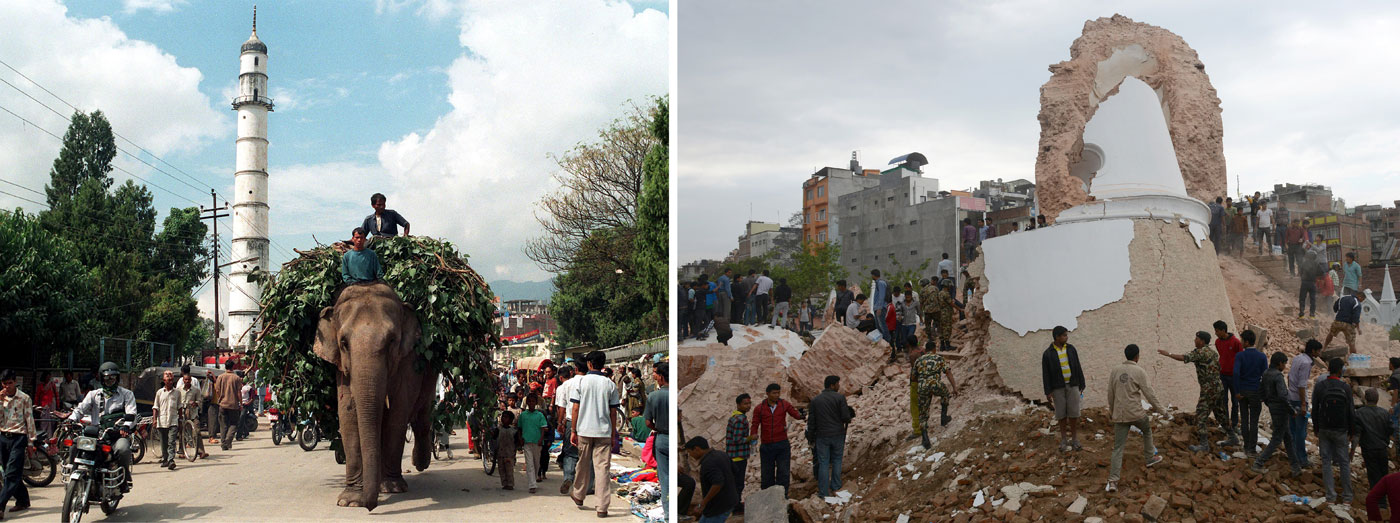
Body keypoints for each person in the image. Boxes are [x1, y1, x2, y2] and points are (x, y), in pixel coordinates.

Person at [1158, 331, 1238, 452]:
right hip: (1218, 387)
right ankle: (1233, 437)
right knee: (1220, 414)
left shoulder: (1200, 353)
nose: (1194, 340)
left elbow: (1183, 358)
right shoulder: (1213, 353)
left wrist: (1168, 354)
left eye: (1196, 338)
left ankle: (1204, 445)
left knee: (1201, 415)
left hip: (1209, 389)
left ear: (1202, 341)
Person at [68, 362, 138, 492]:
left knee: (123, 449)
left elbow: (131, 413)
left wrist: (126, 426)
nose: (110, 380)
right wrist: (72, 419)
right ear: (101, 379)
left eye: (113, 377)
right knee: (74, 445)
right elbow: (80, 409)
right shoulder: (94, 394)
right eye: (107, 377)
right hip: (96, 434)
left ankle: (124, 477)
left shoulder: (126, 394)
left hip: (116, 435)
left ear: (117, 378)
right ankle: (72, 477)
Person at [1105, 344, 1165, 493]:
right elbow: (1149, 394)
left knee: (1118, 448)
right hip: (1136, 414)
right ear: (1137, 356)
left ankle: (1113, 481)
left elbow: (1110, 394)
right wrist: (1162, 411)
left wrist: (1113, 412)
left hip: (1120, 415)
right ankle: (1150, 457)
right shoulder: (1139, 371)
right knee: (1147, 431)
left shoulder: (1115, 371)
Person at [568, 351, 621, 517]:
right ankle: (602, 507)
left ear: (589, 364)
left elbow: (575, 408)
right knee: (602, 469)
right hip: (604, 432)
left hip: (584, 430)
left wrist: (573, 430)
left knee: (582, 465)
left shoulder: (581, 382)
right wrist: (613, 434)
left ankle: (578, 495)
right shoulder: (610, 384)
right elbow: (614, 413)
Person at [1314, 357, 1355, 504]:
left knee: (1326, 462)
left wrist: (1316, 429)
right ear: (1340, 370)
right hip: (1341, 430)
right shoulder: (1345, 388)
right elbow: (1351, 411)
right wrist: (1351, 431)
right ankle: (1347, 497)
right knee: (1344, 462)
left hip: (1324, 428)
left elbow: (1315, 409)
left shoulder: (1320, 386)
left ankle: (1330, 496)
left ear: (1329, 369)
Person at [1253, 351, 1300, 476]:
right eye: (1284, 363)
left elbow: (1261, 392)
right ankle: (1258, 463)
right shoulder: (1278, 376)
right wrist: (1292, 410)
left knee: (1287, 437)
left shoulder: (1266, 373)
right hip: (1281, 410)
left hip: (1273, 408)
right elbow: (1283, 396)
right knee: (1277, 438)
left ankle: (1295, 466)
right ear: (1280, 363)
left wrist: (1269, 404)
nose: (1285, 366)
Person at [751, 383, 804, 495]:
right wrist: (754, 435)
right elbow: (755, 424)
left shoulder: (784, 404)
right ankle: (767, 497)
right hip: (767, 445)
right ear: (767, 394)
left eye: (778, 392)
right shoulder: (759, 408)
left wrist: (802, 415)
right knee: (767, 474)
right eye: (774, 393)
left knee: (783, 472)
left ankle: (782, 496)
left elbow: (795, 414)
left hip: (782, 444)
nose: (777, 395)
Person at [1042, 326, 1086, 452]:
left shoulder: (1071, 349)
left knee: (1073, 413)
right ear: (1057, 337)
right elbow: (1046, 374)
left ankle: (1074, 439)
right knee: (1061, 414)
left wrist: (1082, 383)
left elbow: (1077, 366)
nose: (1066, 337)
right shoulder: (1048, 354)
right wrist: (1048, 391)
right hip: (1057, 388)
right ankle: (1063, 440)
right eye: (1064, 335)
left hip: (1073, 385)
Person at [809, 375, 854, 498]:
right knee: (837, 460)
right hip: (838, 434)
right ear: (832, 385)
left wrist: (810, 438)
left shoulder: (815, 400)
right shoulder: (840, 398)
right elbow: (845, 417)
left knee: (823, 463)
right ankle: (836, 486)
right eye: (838, 384)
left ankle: (823, 492)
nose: (839, 386)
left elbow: (811, 422)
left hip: (822, 436)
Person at [0, 369, 36, 517]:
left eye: (10, 383)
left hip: (19, 437)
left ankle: (0, 506)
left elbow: (29, 420)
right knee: (10, 473)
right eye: (4, 384)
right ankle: (23, 500)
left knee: (11, 474)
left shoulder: (24, 398)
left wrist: (31, 442)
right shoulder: (0, 398)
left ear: (15, 382)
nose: (7, 386)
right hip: (3, 437)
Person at [684, 437, 740, 523]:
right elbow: (735, 471)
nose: (690, 455)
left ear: (696, 449)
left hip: (719, 507)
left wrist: (702, 503)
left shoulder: (708, 463)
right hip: (727, 502)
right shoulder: (721, 454)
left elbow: (718, 483)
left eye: (689, 452)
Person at [913, 342, 957, 449]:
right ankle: (943, 417)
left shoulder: (918, 360)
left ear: (925, 350)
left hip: (922, 386)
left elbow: (914, 378)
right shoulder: (939, 358)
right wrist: (954, 387)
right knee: (945, 394)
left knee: (923, 413)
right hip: (935, 384)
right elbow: (948, 373)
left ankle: (925, 439)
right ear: (934, 349)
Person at [1355, 388, 1394, 504]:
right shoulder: (1384, 413)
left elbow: (1357, 433)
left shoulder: (1359, 413)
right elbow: (1391, 429)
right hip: (1382, 448)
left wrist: (1352, 450)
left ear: (1366, 399)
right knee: (1383, 473)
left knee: (1373, 475)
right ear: (1377, 399)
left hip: (1368, 449)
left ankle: (1380, 502)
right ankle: (1386, 498)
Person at [1233, 330, 1267, 456]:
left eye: (1242, 340)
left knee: (1244, 419)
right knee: (1254, 421)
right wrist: (1263, 393)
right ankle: (1252, 449)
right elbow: (1266, 376)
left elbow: (1236, 373)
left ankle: (1246, 446)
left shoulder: (1240, 356)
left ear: (1246, 342)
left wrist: (1237, 391)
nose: (1241, 342)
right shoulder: (1262, 356)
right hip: (1256, 391)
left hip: (1243, 391)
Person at [1289, 340, 1322, 467]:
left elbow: (1290, 378)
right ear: (1313, 351)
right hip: (1298, 399)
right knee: (1301, 431)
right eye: (1318, 350)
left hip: (1291, 397)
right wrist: (1303, 403)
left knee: (1292, 429)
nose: (1319, 353)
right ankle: (1301, 459)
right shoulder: (1307, 363)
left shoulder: (1298, 358)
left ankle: (1292, 456)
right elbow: (1302, 385)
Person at [644, 362, 670, 514]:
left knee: (665, 478)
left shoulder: (654, 396)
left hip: (662, 438)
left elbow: (648, 422)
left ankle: (668, 513)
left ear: (660, 377)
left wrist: (657, 428)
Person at [725, 394, 757, 514]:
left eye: (749, 403)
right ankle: (735, 507)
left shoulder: (735, 417)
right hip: (738, 456)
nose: (748, 406)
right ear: (738, 405)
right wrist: (750, 438)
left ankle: (734, 505)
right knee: (738, 483)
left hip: (733, 455)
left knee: (735, 483)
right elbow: (737, 439)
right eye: (745, 403)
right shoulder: (740, 419)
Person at [1214, 320, 1244, 443]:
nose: (1215, 333)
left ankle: (1235, 424)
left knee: (1235, 401)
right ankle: (1226, 424)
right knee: (1223, 401)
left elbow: (1241, 357)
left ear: (1223, 330)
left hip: (1234, 376)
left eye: (1217, 331)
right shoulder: (1217, 342)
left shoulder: (1236, 342)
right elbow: (1221, 355)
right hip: (1222, 375)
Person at [517, 393, 547, 493]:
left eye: (533, 401)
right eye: (529, 401)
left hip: (537, 442)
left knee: (536, 463)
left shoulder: (539, 415)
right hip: (527, 441)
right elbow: (520, 428)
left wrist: (541, 439)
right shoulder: (523, 415)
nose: (531, 403)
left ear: (536, 402)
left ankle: (533, 479)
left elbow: (543, 428)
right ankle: (532, 484)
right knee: (529, 463)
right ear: (527, 403)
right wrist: (520, 438)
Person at [152, 370, 181, 470]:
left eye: (171, 380)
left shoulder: (177, 393)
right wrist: (155, 420)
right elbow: (155, 407)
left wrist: (180, 420)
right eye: (168, 380)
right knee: (163, 442)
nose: (170, 382)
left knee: (171, 441)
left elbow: (179, 407)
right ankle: (165, 459)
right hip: (162, 420)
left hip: (173, 420)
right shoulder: (159, 393)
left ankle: (171, 459)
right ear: (164, 381)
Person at [211, 366, 245, 450]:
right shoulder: (236, 378)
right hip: (233, 405)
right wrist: (241, 403)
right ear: (233, 367)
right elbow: (238, 392)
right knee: (234, 424)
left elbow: (217, 390)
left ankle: (224, 443)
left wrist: (220, 399)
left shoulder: (220, 377)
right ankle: (228, 440)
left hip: (222, 404)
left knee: (223, 425)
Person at [177, 368, 208, 460]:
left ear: (191, 380)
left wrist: (195, 403)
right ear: (183, 380)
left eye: (188, 380)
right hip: (182, 413)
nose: (187, 381)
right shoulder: (178, 390)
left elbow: (200, 400)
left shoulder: (195, 390)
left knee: (197, 431)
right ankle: (182, 451)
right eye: (185, 380)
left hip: (193, 413)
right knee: (182, 432)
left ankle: (201, 451)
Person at [1324, 288, 1365, 355]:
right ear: (1359, 296)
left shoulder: (1343, 297)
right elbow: (1356, 318)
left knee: (1331, 334)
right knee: (1352, 343)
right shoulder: (1357, 303)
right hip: (1348, 325)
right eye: (1362, 300)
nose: (1361, 301)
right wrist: (1358, 329)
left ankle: (1324, 348)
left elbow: (1335, 307)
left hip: (1338, 321)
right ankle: (1353, 358)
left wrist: (1339, 313)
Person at [493, 410, 523, 491]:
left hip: (510, 454)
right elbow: (494, 437)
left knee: (509, 470)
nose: (504, 419)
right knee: (501, 470)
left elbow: (517, 441)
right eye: (503, 417)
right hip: (500, 453)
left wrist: (518, 447)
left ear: (511, 420)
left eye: (506, 417)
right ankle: (504, 483)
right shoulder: (498, 429)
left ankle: (510, 484)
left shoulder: (514, 430)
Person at [869, 269, 890, 344]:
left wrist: (879, 308)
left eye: (872, 275)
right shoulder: (878, 283)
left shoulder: (880, 283)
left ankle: (887, 342)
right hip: (877, 307)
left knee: (882, 326)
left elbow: (882, 296)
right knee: (879, 326)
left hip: (880, 308)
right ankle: (883, 341)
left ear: (873, 275)